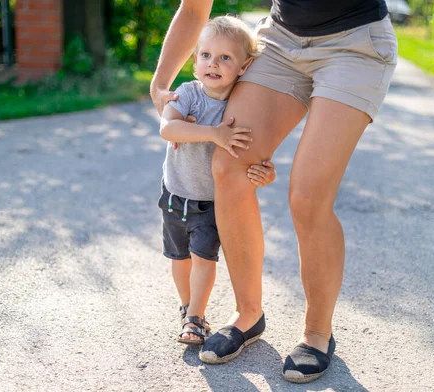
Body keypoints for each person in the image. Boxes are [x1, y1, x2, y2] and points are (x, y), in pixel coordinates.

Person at [151, 0, 398, 383]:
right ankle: (247, 313)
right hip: (282, 40)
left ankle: (317, 334)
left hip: (355, 44)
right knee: (229, 163)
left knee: (308, 196)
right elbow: (194, 7)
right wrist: (160, 83)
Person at [157, 15, 278, 345]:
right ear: (195, 60)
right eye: (207, 55)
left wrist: (265, 172)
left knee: (202, 259)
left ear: (243, 66)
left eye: (226, 57)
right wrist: (213, 135)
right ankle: (187, 307)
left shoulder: (241, 107)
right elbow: (168, 128)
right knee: (179, 259)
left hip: (211, 204)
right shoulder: (188, 95)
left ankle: (196, 317)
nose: (214, 63)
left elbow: (257, 152)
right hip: (175, 195)